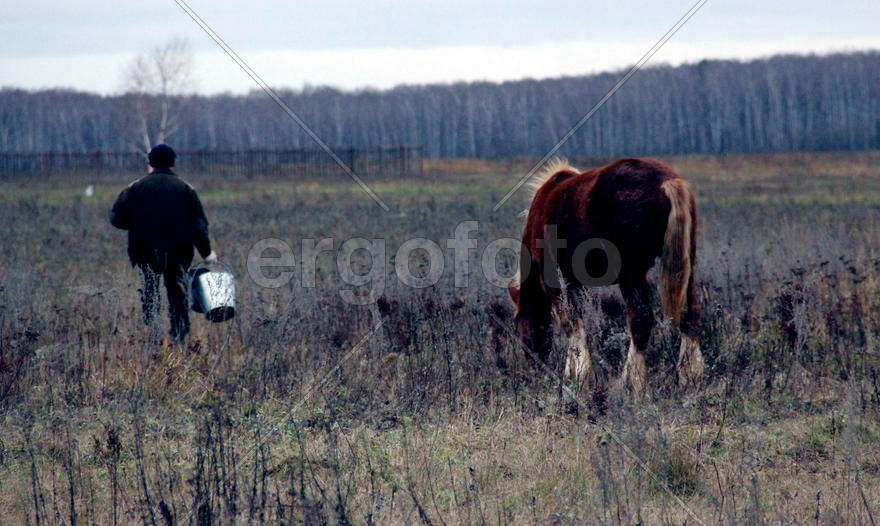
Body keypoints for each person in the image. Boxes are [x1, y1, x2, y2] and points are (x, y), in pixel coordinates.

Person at [110, 144, 217, 343]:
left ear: (150, 163)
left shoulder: (135, 187)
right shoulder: (185, 189)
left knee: (150, 293)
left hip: (144, 251)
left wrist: (136, 227)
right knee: (178, 295)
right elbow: (199, 228)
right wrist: (207, 254)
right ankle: (179, 336)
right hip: (178, 252)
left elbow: (116, 218)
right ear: (173, 163)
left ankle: (153, 335)